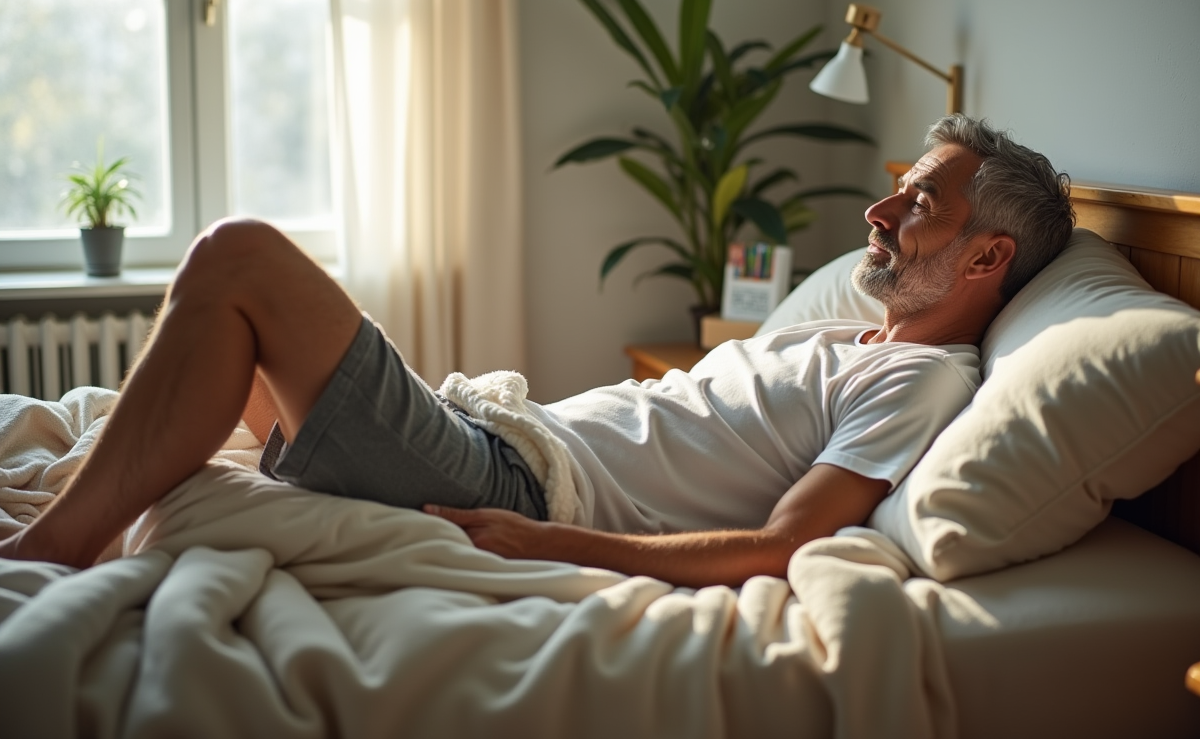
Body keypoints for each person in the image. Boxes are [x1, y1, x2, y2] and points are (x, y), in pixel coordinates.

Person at [0, 115, 1074, 587]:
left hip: (513, 480)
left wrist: (541, 542)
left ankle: (47, 553)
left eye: (920, 197)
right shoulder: (849, 330)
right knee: (220, 315)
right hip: (499, 437)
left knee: (237, 260)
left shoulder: (925, 378)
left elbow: (779, 546)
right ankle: (83, 509)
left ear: (988, 259)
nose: (883, 207)